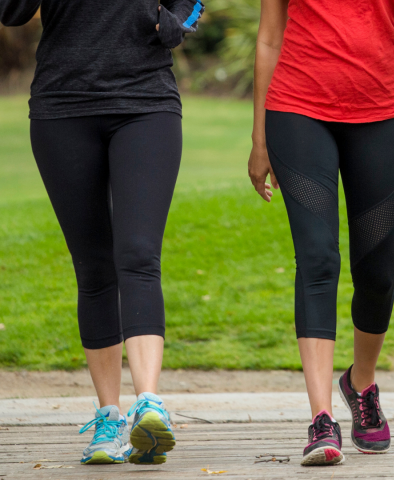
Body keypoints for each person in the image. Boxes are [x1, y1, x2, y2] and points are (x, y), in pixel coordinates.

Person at [0, 0, 204, 466]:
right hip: (62, 106)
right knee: (93, 267)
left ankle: (149, 406)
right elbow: (11, 12)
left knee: (137, 253)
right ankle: (109, 417)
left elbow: (189, 6)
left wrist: (174, 19)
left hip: (145, 102)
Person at [248, 0, 394, 466]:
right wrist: (259, 140)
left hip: (383, 115)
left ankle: (360, 383)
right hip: (297, 112)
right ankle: (321, 419)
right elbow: (269, 37)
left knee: (377, 272)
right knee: (317, 259)